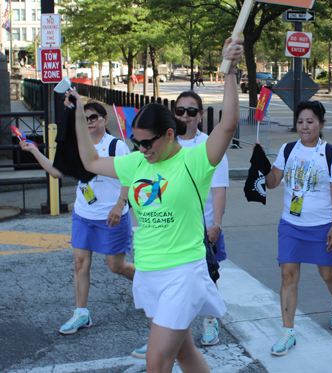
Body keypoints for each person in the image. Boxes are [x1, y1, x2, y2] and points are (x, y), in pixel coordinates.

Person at [66, 37, 243, 373]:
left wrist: (231, 71)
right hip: (147, 270)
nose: (142, 148)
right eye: (137, 141)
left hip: (184, 272)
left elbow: (228, 124)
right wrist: (78, 113)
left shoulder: (195, 162)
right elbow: (89, 160)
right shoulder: (135, 163)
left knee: (157, 359)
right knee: (183, 353)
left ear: (169, 135)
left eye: (148, 142)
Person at [20, 101, 135, 335]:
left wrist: (120, 203)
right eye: (84, 118)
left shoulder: (116, 146)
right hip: (83, 215)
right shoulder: (77, 147)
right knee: (80, 263)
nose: (89, 122)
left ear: (104, 119)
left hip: (111, 216)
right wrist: (34, 150)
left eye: (93, 117)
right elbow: (56, 172)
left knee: (116, 266)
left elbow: (130, 177)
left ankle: (152, 285)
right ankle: (81, 314)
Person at [131, 90, 230, 359]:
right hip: (164, 239)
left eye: (191, 111)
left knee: (207, 276)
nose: (185, 115)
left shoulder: (206, 147)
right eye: (180, 110)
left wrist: (216, 224)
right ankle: (164, 338)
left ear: (200, 115)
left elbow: (219, 190)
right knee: (182, 349)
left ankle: (209, 321)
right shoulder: (153, 148)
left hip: (200, 229)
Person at [257, 100, 332, 357]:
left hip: (321, 226)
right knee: (288, 277)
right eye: (300, 122)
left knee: (329, 275)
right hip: (291, 225)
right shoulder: (288, 149)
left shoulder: (331, 153)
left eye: (310, 122)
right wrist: (262, 162)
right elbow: (273, 182)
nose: (304, 126)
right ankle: (288, 332)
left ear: (321, 124)